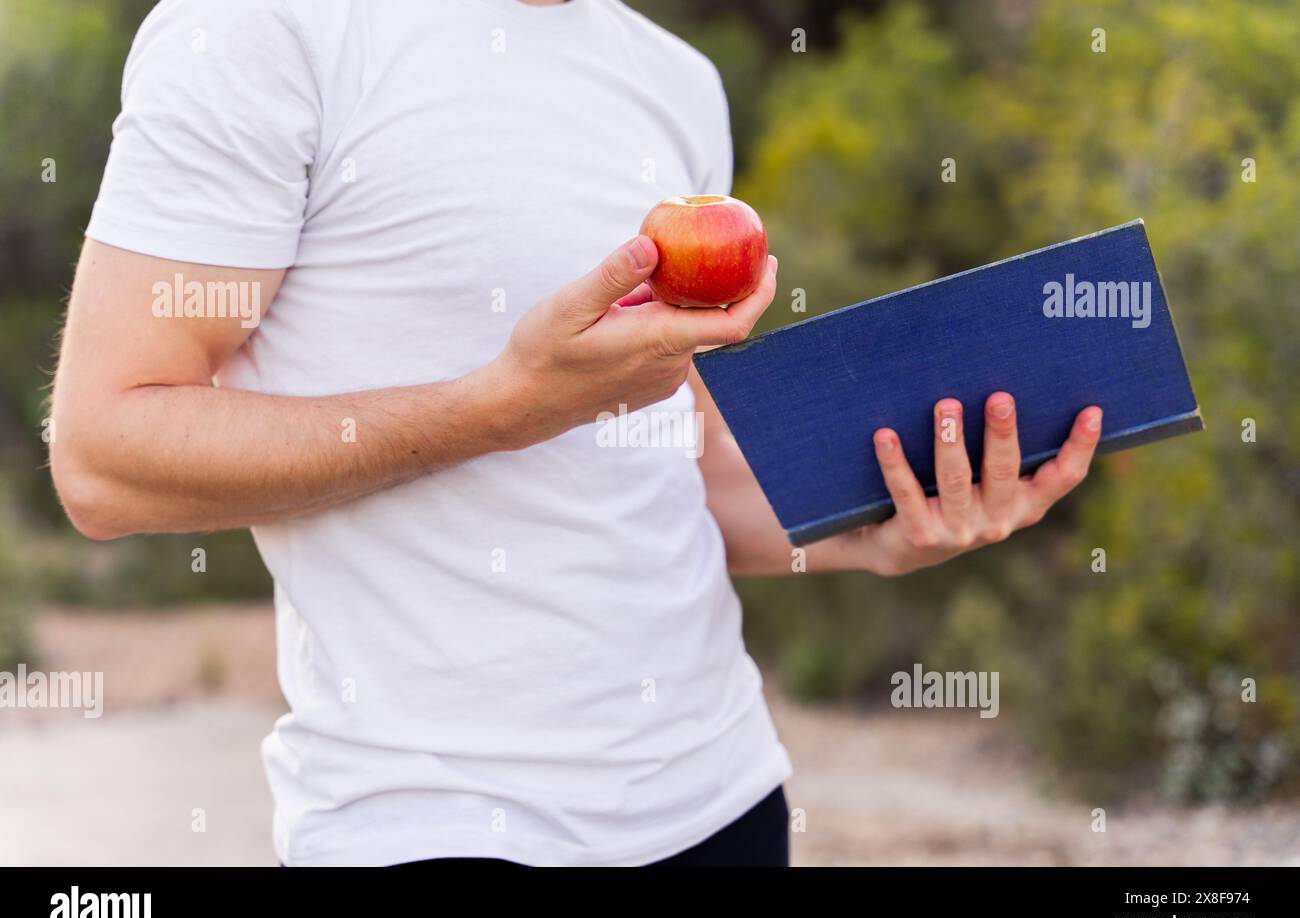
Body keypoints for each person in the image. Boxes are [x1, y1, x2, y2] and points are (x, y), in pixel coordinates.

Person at [49, 0, 1101, 867]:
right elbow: (104, 456)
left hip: (725, 804)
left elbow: (669, 464)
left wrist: (867, 529)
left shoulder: (677, 80)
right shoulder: (261, 33)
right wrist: (500, 409)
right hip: (426, 826)